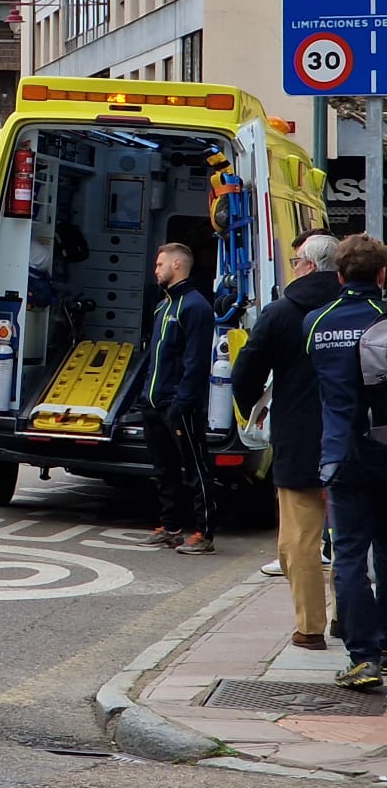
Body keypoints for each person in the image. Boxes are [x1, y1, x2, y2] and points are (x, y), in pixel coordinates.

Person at [234, 231, 341, 648]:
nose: (293, 267)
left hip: (298, 436)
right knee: (352, 538)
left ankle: (310, 627)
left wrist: (254, 409)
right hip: (354, 438)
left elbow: (246, 372)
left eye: (297, 261)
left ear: (309, 266)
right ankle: (348, 619)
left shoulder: (281, 312)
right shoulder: (360, 310)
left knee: (299, 540)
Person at [308, 233, 387, 690]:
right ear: (382, 275)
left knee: (350, 557)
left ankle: (363, 657)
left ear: (339, 275)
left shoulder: (317, 324)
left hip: (341, 454)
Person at [137, 242, 219, 555]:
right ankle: (169, 528)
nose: (155, 270)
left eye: (159, 265)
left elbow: (196, 362)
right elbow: (155, 357)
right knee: (163, 469)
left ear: (176, 264)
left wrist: (182, 403)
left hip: (178, 405)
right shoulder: (163, 306)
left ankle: (204, 533)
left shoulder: (196, 307)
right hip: (154, 403)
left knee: (195, 469)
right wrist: (146, 395)